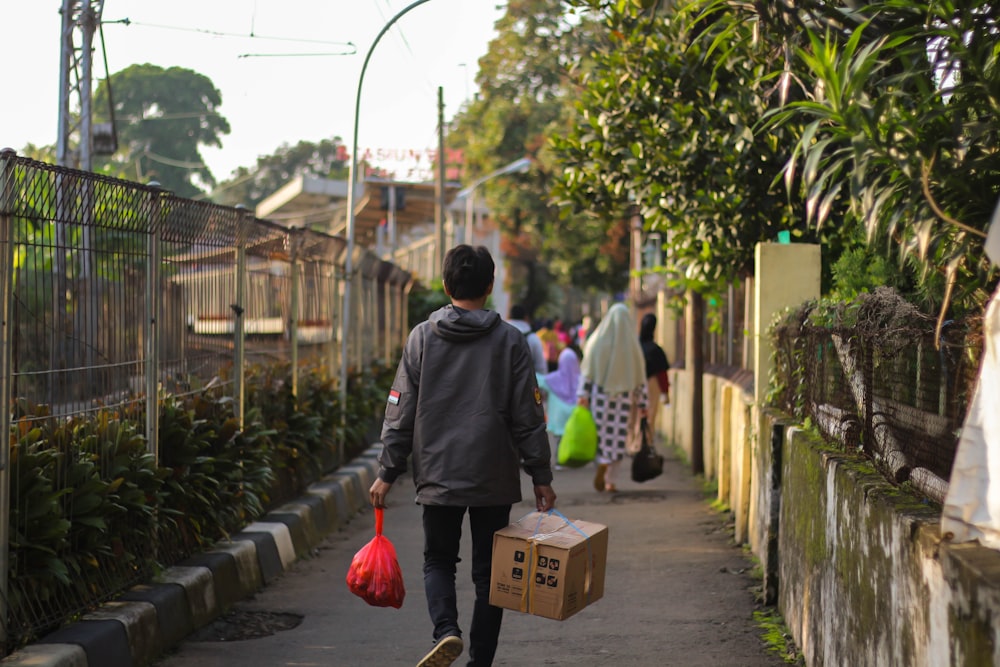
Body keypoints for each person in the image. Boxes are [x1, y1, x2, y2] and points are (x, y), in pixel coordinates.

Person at [370, 244, 557, 667]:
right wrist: (540, 475)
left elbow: (400, 411)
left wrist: (387, 471)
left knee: (439, 559)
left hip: (438, 475)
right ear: (490, 286)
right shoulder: (510, 341)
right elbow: (529, 415)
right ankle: (481, 661)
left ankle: (446, 631)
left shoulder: (421, 338)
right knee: (491, 574)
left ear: (444, 284)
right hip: (493, 475)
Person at [577, 302, 648, 493]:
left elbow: (587, 372)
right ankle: (611, 481)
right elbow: (640, 377)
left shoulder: (597, 341)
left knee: (601, 437)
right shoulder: (633, 346)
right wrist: (643, 403)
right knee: (617, 438)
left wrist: (583, 395)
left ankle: (602, 462)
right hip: (624, 400)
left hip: (600, 397)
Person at [536, 347, 581, 470]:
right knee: (571, 438)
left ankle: (561, 459)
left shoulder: (554, 379)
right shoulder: (579, 379)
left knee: (560, 440)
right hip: (574, 415)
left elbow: (539, 380)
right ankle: (572, 458)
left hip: (559, 417)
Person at [639, 313, 671, 439]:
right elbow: (662, 374)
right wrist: (665, 393)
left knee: (636, 416)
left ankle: (634, 444)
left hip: (636, 384)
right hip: (652, 385)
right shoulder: (656, 351)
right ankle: (647, 443)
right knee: (650, 416)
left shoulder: (636, 348)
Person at [507, 304, 547, 374]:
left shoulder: (499, 334)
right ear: (526, 318)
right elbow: (541, 367)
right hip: (524, 382)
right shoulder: (533, 338)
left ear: (509, 316)